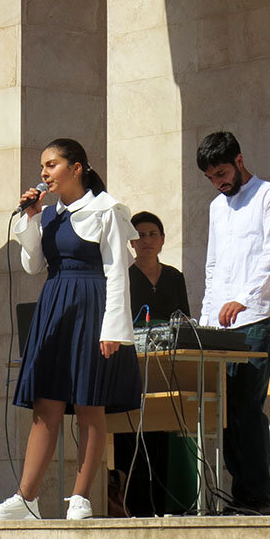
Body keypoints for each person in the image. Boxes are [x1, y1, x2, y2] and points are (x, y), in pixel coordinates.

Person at [0, 138, 140, 521]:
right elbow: (33, 265)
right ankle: (26, 499)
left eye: (52, 164)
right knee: (45, 403)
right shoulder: (50, 214)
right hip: (54, 304)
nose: (44, 172)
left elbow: (117, 271)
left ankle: (82, 497)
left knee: (90, 403)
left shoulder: (106, 210)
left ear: (77, 167)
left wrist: (113, 328)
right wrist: (31, 218)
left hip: (92, 305)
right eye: (42, 166)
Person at [196, 131, 270, 515]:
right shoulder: (218, 208)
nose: (219, 182)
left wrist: (243, 299)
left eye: (222, 172)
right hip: (220, 328)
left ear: (239, 159)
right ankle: (239, 496)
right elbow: (213, 265)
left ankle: (258, 497)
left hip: (254, 320)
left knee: (248, 409)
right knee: (228, 412)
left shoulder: (269, 195)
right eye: (212, 178)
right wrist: (204, 318)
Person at [111, 211, 193, 517]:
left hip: (167, 367)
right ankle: (133, 504)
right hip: (133, 366)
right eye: (140, 235)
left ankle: (169, 505)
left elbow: (183, 320)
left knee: (165, 431)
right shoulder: (124, 277)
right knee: (133, 434)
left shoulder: (174, 277)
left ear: (162, 240)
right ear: (131, 242)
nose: (146, 241)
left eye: (152, 235)